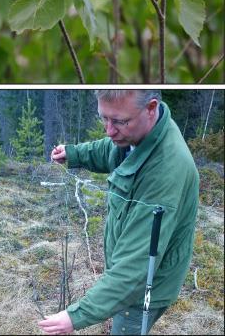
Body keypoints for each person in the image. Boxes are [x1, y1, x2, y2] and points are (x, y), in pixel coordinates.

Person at [38, 90, 199, 335]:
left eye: (119, 122)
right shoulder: (140, 132)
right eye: (104, 118)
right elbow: (112, 149)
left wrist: (75, 316)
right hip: (129, 278)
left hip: (145, 288)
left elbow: (135, 267)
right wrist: (75, 153)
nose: (109, 130)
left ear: (151, 108)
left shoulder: (165, 172)